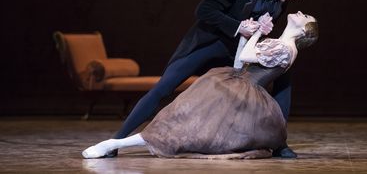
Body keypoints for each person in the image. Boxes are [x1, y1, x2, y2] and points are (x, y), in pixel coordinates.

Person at [107, 0, 312, 158]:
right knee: (163, 88)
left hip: (238, 52)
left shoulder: (280, 0)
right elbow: (204, 10)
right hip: (210, 44)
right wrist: (238, 26)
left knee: (284, 75)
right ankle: (116, 140)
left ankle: (279, 144)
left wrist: (260, 30)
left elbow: (257, 26)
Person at [82, 11, 319, 159]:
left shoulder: (285, 49)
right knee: (181, 122)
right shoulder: (280, 44)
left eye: (305, 17)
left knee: (184, 124)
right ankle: (116, 143)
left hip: (239, 93)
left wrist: (255, 32)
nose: (300, 13)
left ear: (303, 31)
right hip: (234, 84)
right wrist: (248, 34)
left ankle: (115, 143)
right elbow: (240, 63)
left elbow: (246, 57)